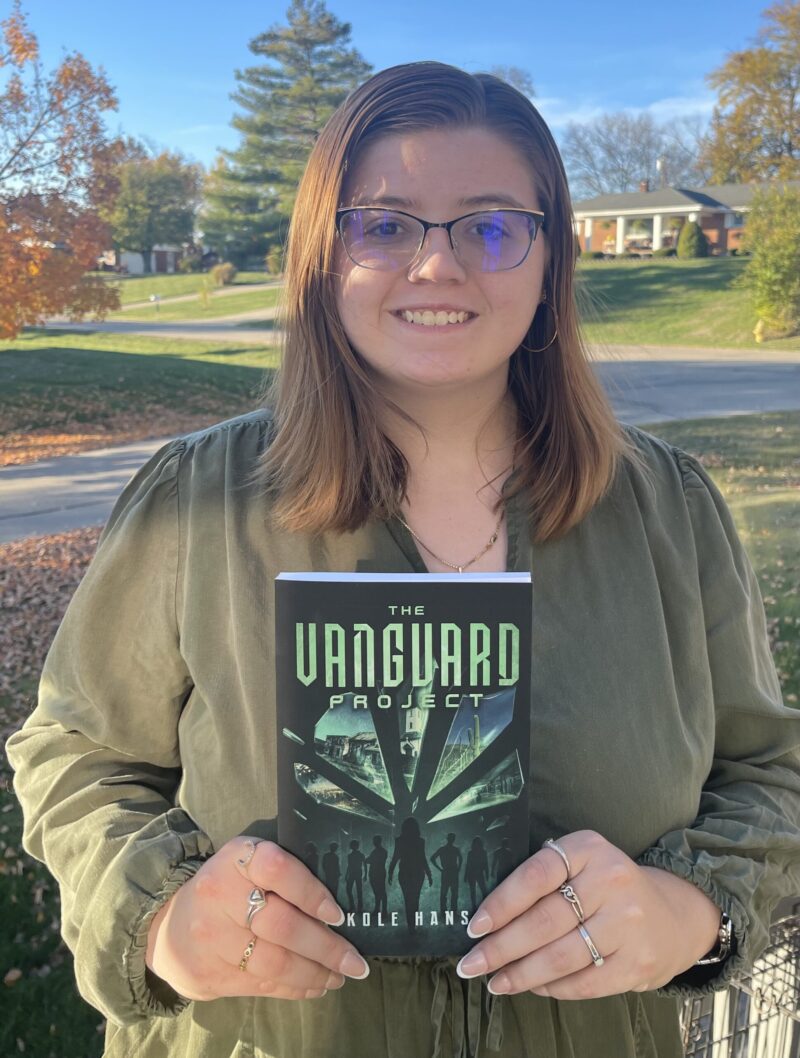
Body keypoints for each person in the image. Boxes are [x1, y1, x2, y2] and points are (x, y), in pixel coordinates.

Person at [6, 60, 800, 1058]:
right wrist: (156, 918)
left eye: (490, 225)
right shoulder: (193, 501)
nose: (437, 267)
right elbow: (74, 750)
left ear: (548, 262)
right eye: (383, 225)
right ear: (320, 256)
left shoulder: (668, 513)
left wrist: (693, 910)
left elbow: (769, 767)